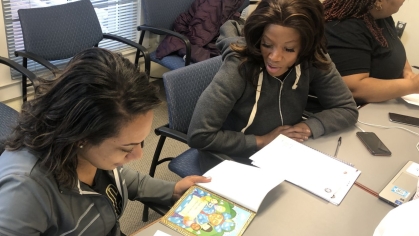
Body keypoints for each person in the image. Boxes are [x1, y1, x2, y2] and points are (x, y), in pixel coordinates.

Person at [0, 48, 210, 235]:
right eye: (126, 148)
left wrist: (172, 190)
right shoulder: (24, 192)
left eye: (142, 142)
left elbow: (121, 178)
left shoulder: (89, 153)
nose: (138, 156)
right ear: (80, 137)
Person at [187, 0, 358, 172]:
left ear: (305, 48)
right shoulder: (238, 68)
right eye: (267, 45)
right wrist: (262, 140)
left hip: (282, 152)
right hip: (233, 159)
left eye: (289, 49)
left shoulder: (313, 58)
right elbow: (199, 135)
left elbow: (347, 108)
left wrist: (304, 128)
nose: (275, 57)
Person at [323, 0, 419, 104]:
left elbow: (394, 46)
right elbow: (354, 89)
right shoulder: (345, 26)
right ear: (379, 1)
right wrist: (412, 85)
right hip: (350, 111)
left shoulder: (382, 18)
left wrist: (407, 72)